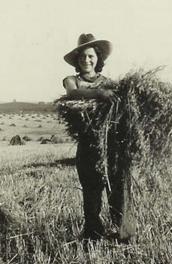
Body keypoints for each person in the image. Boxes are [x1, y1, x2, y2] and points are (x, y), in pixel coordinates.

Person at [59, 33, 134, 242]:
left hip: (112, 144)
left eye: (90, 56)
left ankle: (123, 235)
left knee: (118, 191)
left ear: (98, 59)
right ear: (77, 60)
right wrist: (99, 94)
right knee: (91, 194)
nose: (86, 60)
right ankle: (93, 236)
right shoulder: (71, 80)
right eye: (82, 56)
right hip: (88, 145)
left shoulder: (110, 83)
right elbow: (72, 94)